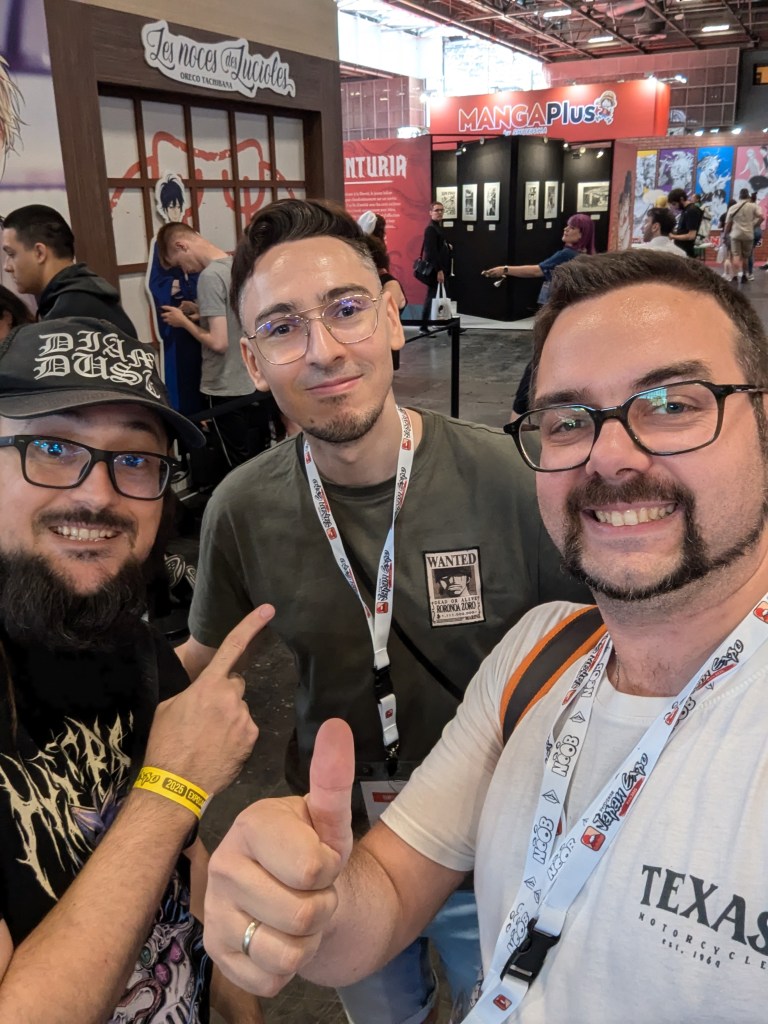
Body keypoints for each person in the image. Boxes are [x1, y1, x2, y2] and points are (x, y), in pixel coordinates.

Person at [204, 248, 768, 1023]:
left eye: (672, 404)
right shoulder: (538, 656)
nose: (610, 456)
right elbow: (386, 893)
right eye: (568, 420)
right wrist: (308, 904)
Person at [177, 198, 588, 1024]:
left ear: (394, 317)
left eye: (347, 308)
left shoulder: (513, 481)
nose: (324, 350)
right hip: (344, 847)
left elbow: (602, 651)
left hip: (494, 842)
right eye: (283, 328)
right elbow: (199, 664)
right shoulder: (243, 509)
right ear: (253, 361)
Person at [0, 315, 268, 1022]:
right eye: (51, 447)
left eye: (136, 460)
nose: (98, 495)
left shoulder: (138, 650)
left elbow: (188, 867)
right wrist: (172, 788)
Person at [157, 222, 282, 474]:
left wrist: (183, 322)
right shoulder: (238, 266)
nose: (185, 271)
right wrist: (201, 313)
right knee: (261, 456)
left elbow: (219, 342)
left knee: (237, 468)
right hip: (253, 380)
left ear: (182, 245)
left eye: (179, 264)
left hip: (225, 386)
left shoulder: (209, 277)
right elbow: (238, 320)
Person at [483, 214, 596, 418]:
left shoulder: (567, 255)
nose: (566, 230)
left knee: (534, 371)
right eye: (567, 226)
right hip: (569, 324)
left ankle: (518, 420)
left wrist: (504, 269)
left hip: (555, 322)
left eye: (571, 228)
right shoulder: (587, 257)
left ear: (582, 233)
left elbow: (536, 271)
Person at [1, 205, 137, 335]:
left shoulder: (69, 315)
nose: (6, 267)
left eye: (11, 254)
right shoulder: (86, 292)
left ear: (39, 253)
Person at [419, 201, 453, 333]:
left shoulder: (437, 227)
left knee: (443, 295)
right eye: (436, 210)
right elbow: (430, 252)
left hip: (441, 268)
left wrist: (447, 247)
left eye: (441, 210)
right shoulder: (431, 229)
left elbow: (437, 247)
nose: (439, 213)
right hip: (436, 270)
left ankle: (450, 326)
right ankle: (423, 326)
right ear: (430, 212)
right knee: (432, 297)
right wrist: (439, 271)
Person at [724, 187, 764, 285]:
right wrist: (754, 225)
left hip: (735, 235)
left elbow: (728, 224)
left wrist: (725, 234)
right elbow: (762, 217)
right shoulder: (753, 206)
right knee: (746, 257)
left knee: (735, 256)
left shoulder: (733, 207)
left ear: (739, 196)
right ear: (748, 196)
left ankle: (734, 276)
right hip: (748, 235)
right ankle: (744, 276)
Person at [667, 187, 703, 257]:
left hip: (687, 252)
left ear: (681, 199)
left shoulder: (691, 210)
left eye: (674, 204)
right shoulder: (686, 210)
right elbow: (684, 230)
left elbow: (691, 236)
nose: (675, 207)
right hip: (682, 250)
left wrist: (673, 236)